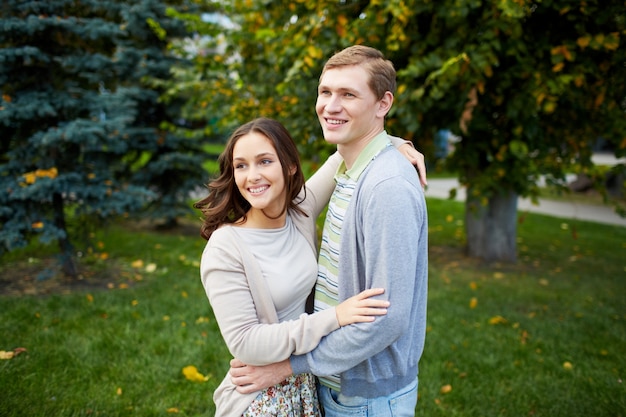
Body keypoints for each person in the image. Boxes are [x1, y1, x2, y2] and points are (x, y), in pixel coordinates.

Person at [229, 45, 429, 416]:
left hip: (367, 396)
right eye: (325, 92)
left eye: (348, 94)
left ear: (383, 104)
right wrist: (394, 141)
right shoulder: (349, 172)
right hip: (337, 385)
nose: (331, 106)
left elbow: (387, 319)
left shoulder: (386, 188)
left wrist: (288, 367)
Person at [195, 117, 425, 417]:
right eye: (241, 165)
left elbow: (346, 151)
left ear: (290, 166)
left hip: (305, 384)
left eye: (264, 161)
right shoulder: (226, 247)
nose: (252, 176)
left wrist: (398, 144)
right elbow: (246, 343)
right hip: (262, 395)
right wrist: (334, 318)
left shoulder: (298, 212)